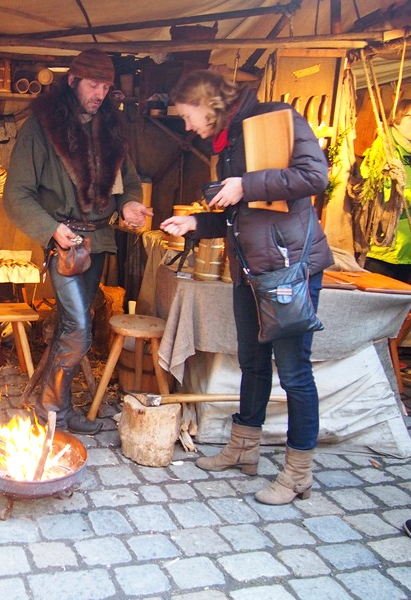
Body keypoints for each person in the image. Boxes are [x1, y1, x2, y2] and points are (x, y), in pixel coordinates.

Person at [160, 70, 333, 504]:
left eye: (187, 116)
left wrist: (245, 183)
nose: (186, 126)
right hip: (250, 270)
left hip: (287, 270)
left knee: (294, 373)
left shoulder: (278, 117)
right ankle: (244, 447)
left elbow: (315, 176)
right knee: (252, 363)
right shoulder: (229, 142)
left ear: (208, 103)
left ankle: (298, 474)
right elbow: (242, 213)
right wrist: (196, 223)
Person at [4, 49, 151, 435]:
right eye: (93, 84)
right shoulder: (41, 128)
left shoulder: (112, 128)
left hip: (100, 240)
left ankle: (53, 409)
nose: (100, 93)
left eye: (105, 86)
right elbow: (16, 194)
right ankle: (51, 407)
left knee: (72, 324)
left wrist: (132, 203)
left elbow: (129, 180)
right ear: (72, 82)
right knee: (81, 328)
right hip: (64, 242)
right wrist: (51, 230)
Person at [360, 99, 411, 283]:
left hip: (407, 250)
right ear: (396, 119)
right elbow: (382, 193)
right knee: (378, 305)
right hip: (386, 250)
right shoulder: (384, 148)